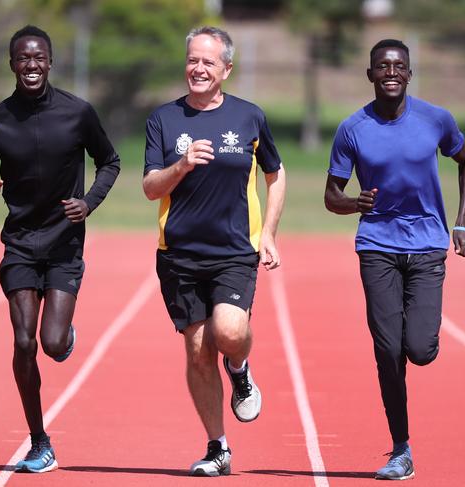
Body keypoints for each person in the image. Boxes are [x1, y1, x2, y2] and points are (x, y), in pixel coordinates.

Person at [0, 25, 120, 473]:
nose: (30, 65)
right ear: (11, 64)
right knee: (23, 341)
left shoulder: (78, 113)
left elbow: (109, 161)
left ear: (50, 62)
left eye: (38, 58)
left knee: (51, 344)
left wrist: (89, 202)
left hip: (65, 242)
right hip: (19, 244)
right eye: (22, 58)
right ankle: (39, 440)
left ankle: (64, 333)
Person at [324, 38, 465, 480]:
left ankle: (417, 333)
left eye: (399, 66)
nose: (391, 72)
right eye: (382, 66)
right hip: (377, 246)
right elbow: (331, 194)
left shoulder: (436, 119)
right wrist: (355, 203)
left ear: (409, 73)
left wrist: (462, 223)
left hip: (428, 245)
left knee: (420, 350)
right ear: (370, 74)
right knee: (388, 349)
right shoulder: (353, 129)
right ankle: (400, 449)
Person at [143, 26, 286, 477]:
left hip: (233, 251)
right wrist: (181, 166)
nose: (197, 68)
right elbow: (149, 188)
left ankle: (240, 369)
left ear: (226, 68)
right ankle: (217, 447)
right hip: (179, 254)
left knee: (228, 332)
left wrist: (269, 234)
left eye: (208, 62)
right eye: (192, 60)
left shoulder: (249, 117)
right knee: (198, 351)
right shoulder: (164, 120)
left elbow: (276, 174)